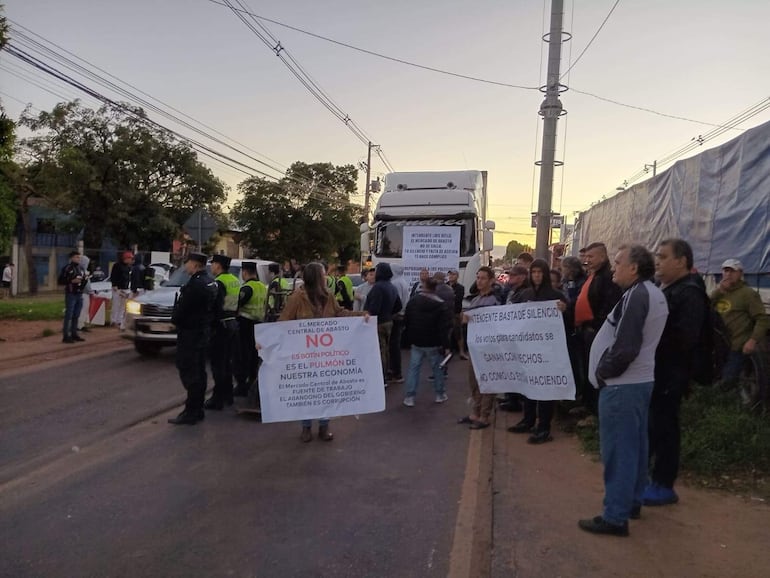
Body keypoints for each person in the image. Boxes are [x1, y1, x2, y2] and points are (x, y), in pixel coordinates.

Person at [579, 245, 668, 537]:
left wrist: (602, 372)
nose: (613, 267)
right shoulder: (650, 292)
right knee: (636, 448)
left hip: (622, 386)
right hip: (637, 383)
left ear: (634, 268)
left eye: (618, 263)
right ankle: (631, 502)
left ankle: (615, 516)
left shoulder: (638, 295)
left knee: (619, 452)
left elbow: (626, 347)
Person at [644, 239, 708, 507]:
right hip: (660, 370)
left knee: (666, 427)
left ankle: (663, 484)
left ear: (681, 261)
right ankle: (652, 477)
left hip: (672, 372)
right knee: (656, 424)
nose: (657, 261)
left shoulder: (690, 293)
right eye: (657, 256)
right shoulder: (669, 288)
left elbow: (685, 338)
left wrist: (652, 342)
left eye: (663, 256)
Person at [279, 262, 367, 442]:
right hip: (304, 354)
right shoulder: (297, 298)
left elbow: (340, 314)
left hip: (326, 354)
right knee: (307, 392)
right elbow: (283, 322)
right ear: (316, 278)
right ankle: (306, 427)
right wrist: (266, 341)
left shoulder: (328, 297)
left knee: (325, 391)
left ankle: (324, 426)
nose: (326, 277)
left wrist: (361, 316)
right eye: (323, 274)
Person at [507, 259, 568, 444]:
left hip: (548, 351)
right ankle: (528, 420)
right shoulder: (526, 294)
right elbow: (511, 315)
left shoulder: (556, 295)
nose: (537, 275)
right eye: (534, 272)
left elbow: (568, 322)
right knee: (529, 386)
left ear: (545, 274)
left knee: (546, 389)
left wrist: (565, 310)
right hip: (528, 349)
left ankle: (544, 428)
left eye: (540, 272)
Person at [573, 242, 623, 418]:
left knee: (596, 370)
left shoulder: (607, 278)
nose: (587, 260)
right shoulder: (593, 275)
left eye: (591, 256)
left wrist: (594, 327)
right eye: (586, 257)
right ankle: (587, 404)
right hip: (586, 331)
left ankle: (594, 412)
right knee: (587, 368)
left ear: (603, 256)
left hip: (596, 332)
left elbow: (609, 307)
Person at [168, 252, 218, 425]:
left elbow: (184, 309)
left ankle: (192, 411)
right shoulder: (210, 281)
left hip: (191, 333)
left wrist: (175, 320)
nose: (185, 266)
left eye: (187, 262)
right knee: (199, 371)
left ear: (195, 264)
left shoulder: (196, 284)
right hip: (202, 332)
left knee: (189, 371)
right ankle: (197, 409)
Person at [710, 259, 769, 383]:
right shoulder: (719, 292)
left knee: (727, 382)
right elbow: (702, 307)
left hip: (737, 346)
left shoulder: (748, 294)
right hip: (719, 345)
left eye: (732, 271)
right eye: (726, 271)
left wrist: (752, 341)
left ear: (740, 274)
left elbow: (762, 319)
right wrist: (719, 291)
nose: (728, 274)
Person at [458, 266, 501, 430]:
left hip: (489, 347)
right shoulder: (475, 300)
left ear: (491, 280)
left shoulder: (495, 300)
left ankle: (484, 415)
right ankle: (475, 413)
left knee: (487, 381)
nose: (479, 281)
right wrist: (465, 319)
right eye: (478, 277)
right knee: (474, 381)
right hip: (475, 347)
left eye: (483, 278)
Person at [402, 277, 453, 407]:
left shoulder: (413, 301)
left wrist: (409, 336)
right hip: (433, 342)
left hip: (416, 340)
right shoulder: (441, 305)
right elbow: (443, 328)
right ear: (435, 288)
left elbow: (406, 319)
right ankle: (440, 394)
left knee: (414, 368)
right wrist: (446, 346)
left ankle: (410, 397)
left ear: (424, 286)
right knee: (437, 369)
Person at [204, 255, 241, 410]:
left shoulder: (219, 282)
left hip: (221, 325)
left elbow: (215, 306)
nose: (211, 267)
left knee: (218, 364)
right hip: (233, 322)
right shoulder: (235, 280)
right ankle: (228, 395)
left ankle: (217, 399)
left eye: (213, 264)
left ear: (218, 265)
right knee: (227, 362)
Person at [364, 263, 402, 387]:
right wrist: (389, 312)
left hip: (378, 322)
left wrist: (369, 313)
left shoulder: (378, 287)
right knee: (386, 350)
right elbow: (399, 306)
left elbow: (374, 308)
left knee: (380, 351)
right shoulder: (392, 286)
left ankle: (381, 377)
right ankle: (386, 374)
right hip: (388, 321)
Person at [233, 261, 267, 399]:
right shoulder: (263, 287)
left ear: (245, 272)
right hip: (259, 324)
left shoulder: (247, 288)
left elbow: (236, 305)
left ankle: (242, 385)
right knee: (254, 355)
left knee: (242, 355)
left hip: (245, 324)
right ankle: (252, 381)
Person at [387, 263, 412, 384]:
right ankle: (395, 370)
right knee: (395, 344)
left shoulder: (396, 283)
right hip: (401, 315)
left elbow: (396, 302)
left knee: (393, 345)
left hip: (396, 316)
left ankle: (395, 371)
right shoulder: (402, 281)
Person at [59, 251, 86, 343]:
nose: (78, 259)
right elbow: (61, 280)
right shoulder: (67, 268)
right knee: (69, 314)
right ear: (72, 258)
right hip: (71, 293)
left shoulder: (81, 268)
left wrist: (83, 281)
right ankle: (66, 335)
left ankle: (74, 333)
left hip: (79, 293)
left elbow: (83, 279)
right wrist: (71, 281)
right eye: (76, 257)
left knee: (76, 314)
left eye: (79, 257)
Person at [446, 268, 468, 359]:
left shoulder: (460, 288)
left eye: (453, 274)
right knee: (446, 333)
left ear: (457, 276)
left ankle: (461, 352)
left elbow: (457, 299)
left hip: (455, 314)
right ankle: (447, 351)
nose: (451, 276)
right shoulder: (445, 285)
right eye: (450, 274)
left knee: (458, 333)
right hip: (445, 314)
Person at [110, 251, 133, 329]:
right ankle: (113, 321)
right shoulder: (117, 265)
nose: (131, 260)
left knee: (122, 306)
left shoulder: (128, 267)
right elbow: (113, 276)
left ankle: (119, 320)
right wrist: (114, 285)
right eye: (130, 258)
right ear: (126, 258)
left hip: (125, 288)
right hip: (118, 288)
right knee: (116, 305)